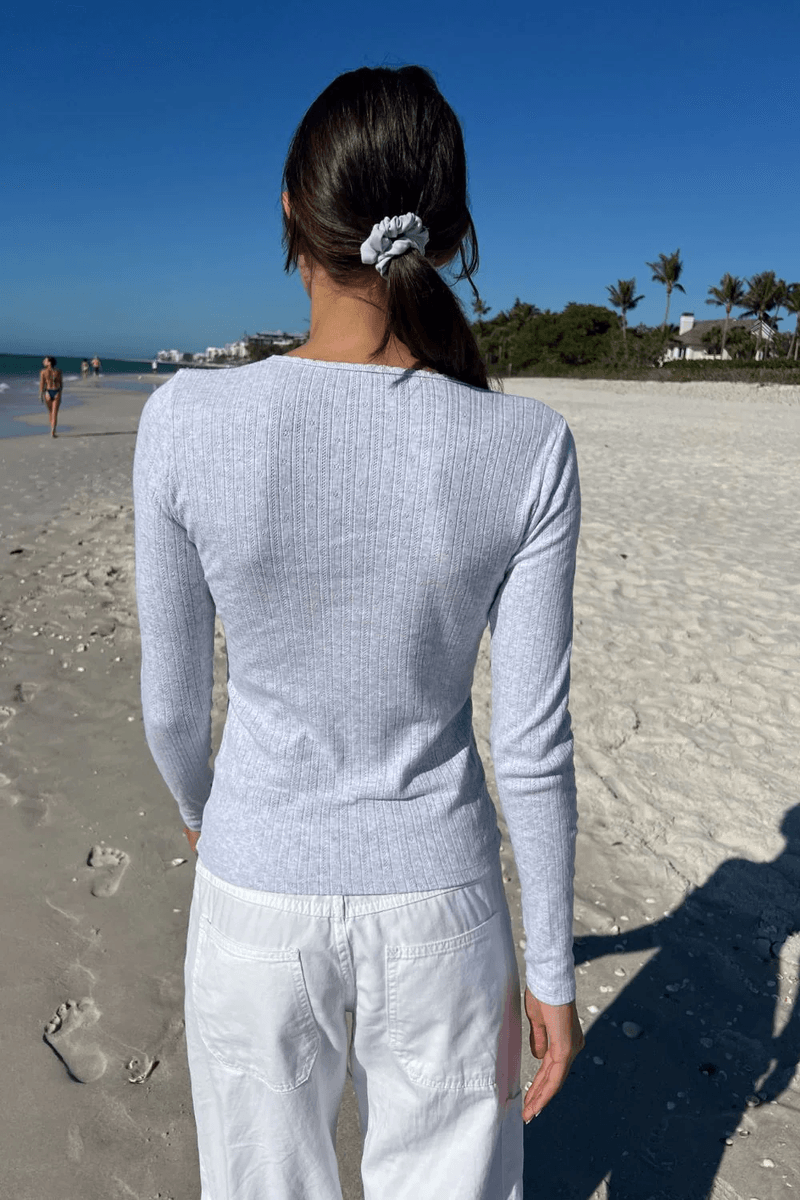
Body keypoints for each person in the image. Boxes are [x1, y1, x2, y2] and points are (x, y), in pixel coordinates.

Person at [133, 65, 583, 1200]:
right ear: (450, 234)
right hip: (443, 905)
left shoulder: (185, 419)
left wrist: (205, 812)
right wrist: (552, 970)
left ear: (291, 210)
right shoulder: (527, 447)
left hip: (253, 895)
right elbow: (531, 748)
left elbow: (172, 711)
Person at [39, 356, 62, 438]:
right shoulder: (58, 371)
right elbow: (60, 384)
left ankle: (52, 429)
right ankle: (53, 431)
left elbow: (42, 384)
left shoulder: (43, 372)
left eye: (45, 361)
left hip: (48, 392)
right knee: (54, 413)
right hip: (56, 391)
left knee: (51, 412)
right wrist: (59, 393)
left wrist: (41, 394)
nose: (43, 362)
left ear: (49, 362)